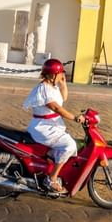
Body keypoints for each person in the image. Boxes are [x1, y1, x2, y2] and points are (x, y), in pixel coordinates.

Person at [23, 58, 85, 194]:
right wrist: (74, 118)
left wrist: (63, 84)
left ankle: (48, 171)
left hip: (51, 125)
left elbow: (63, 98)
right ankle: (51, 179)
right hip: (43, 128)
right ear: (52, 75)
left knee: (64, 146)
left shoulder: (53, 86)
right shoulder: (43, 89)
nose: (62, 75)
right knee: (70, 145)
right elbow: (56, 108)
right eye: (60, 73)